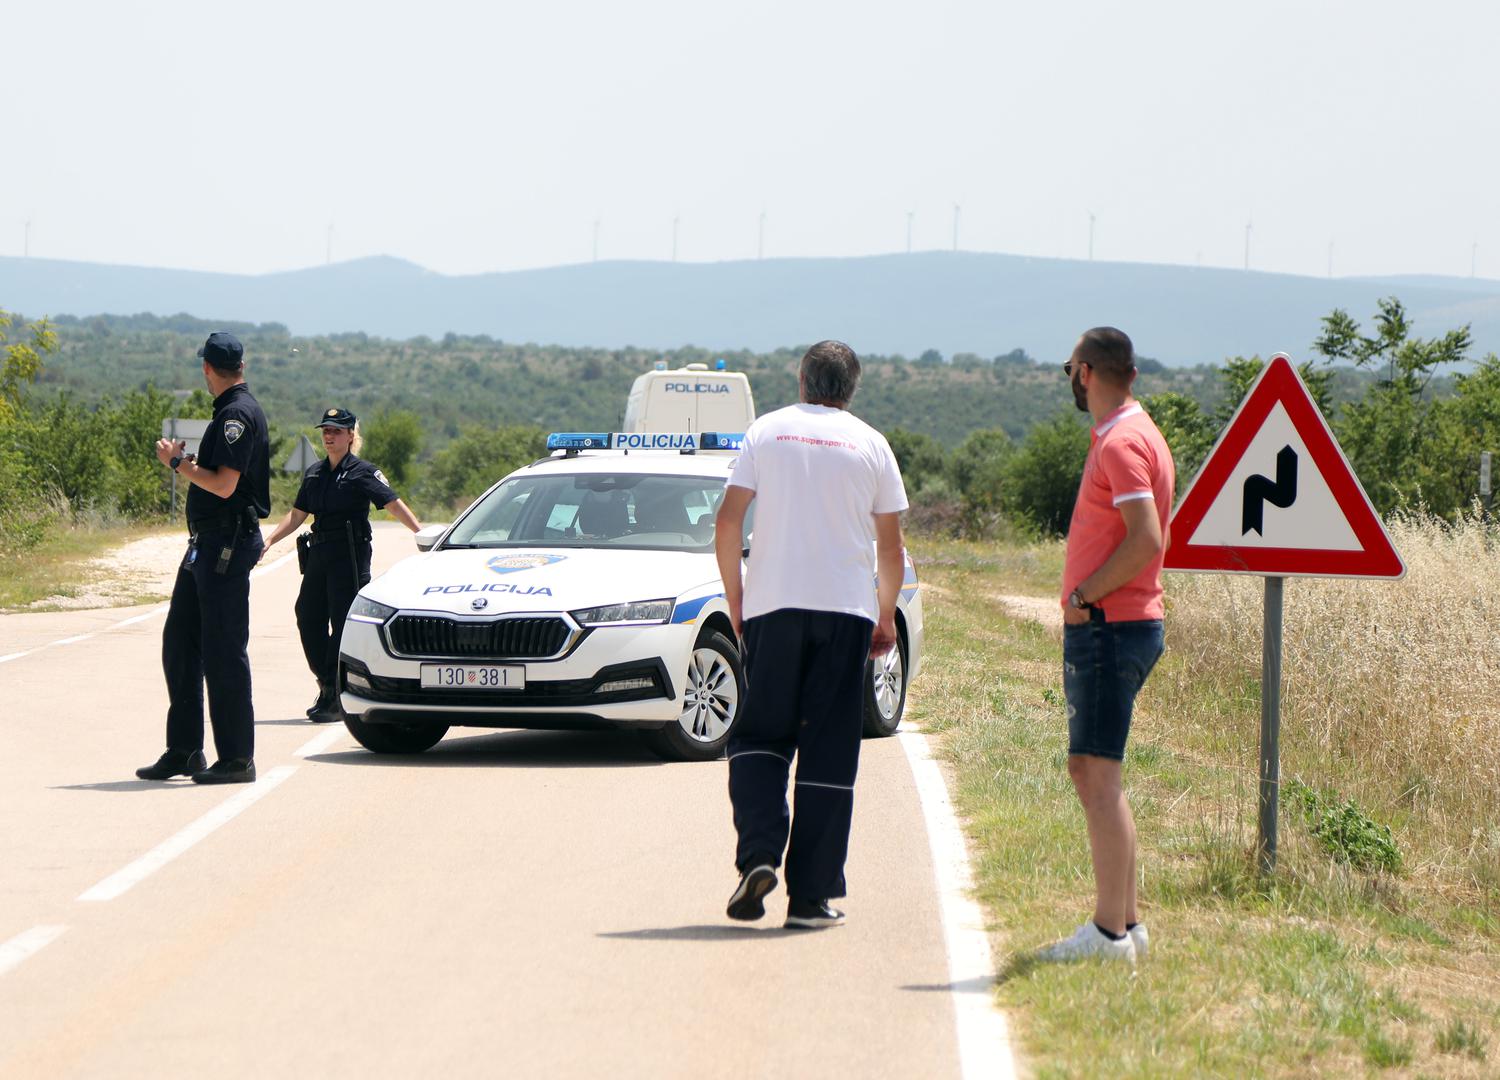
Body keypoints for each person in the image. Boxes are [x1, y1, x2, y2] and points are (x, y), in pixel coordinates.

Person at [714, 340, 908, 930]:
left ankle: (760, 855)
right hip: (846, 612)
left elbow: (727, 521)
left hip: (774, 605)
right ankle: (811, 898)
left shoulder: (766, 432)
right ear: (851, 388)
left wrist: (736, 600)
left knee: (758, 737)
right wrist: (883, 613)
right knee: (828, 751)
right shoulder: (872, 443)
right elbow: (891, 546)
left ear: (801, 378)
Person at [1039, 326, 1174, 965]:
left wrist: (1085, 595)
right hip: (1119, 624)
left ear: (1087, 372)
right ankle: (1127, 924)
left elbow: (1147, 539)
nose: (1071, 377)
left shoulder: (1121, 441)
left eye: (1071, 367)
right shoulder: (1134, 433)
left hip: (1110, 625)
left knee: (1096, 775)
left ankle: (1108, 935)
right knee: (1101, 775)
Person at [137, 331, 270, 784]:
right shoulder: (230, 410)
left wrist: (178, 465)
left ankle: (236, 758)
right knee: (180, 643)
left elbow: (225, 484)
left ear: (207, 368)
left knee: (222, 648)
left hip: (226, 542)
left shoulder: (237, 414)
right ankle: (185, 749)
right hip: (207, 543)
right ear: (241, 367)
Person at [262, 408, 422, 722]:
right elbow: (297, 515)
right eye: (326, 430)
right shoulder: (315, 473)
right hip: (320, 553)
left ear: (351, 435)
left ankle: (335, 695)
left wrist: (421, 532)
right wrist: (269, 540)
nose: (329, 436)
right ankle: (327, 681)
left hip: (349, 554)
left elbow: (392, 502)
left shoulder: (363, 471)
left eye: (336, 431)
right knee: (307, 615)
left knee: (343, 622)